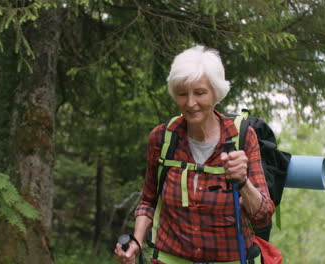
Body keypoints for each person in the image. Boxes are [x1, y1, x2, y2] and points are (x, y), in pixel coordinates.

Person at [115, 45, 275, 264]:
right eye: (182, 94)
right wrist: (136, 241)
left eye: (200, 93)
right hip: (169, 258)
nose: (190, 103)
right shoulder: (163, 138)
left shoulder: (242, 137)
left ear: (216, 93)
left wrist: (243, 181)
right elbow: (148, 201)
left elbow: (263, 215)